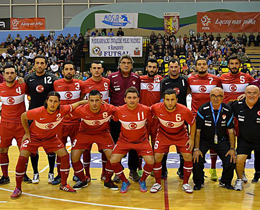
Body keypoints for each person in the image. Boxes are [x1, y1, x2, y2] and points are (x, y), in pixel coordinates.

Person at [10, 91, 88, 199]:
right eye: (50, 101)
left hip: (51, 138)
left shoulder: (63, 110)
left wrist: (91, 101)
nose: (52, 104)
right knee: (22, 156)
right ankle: (18, 188)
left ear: (59, 103)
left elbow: (78, 103)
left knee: (64, 156)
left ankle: (64, 184)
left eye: (55, 101)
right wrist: (27, 133)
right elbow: (23, 116)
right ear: (46, 101)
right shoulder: (38, 111)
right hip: (34, 138)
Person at [71, 90, 118, 190]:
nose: (94, 103)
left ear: (102, 100)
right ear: (88, 101)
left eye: (97, 100)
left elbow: (122, 112)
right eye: (92, 100)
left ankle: (108, 180)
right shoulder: (81, 110)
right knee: (74, 156)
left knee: (113, 158)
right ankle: (83, 180)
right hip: (84, 133)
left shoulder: (109, 108)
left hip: (103, 133)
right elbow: (65, 110)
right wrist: (79, 102)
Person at [150, 89, 195, 194]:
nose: (170, 103)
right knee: (157, 157)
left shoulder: (184, 110)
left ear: (177, 100)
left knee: (188, 156)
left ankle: (185, 183)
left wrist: (191, 138)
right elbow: (146, 111)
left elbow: (193, 123)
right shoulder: (156, 108)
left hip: (181, 135)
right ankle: (157, 183)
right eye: (167, 100)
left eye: (172, 100)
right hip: (163, 134)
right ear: (163, 100)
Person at [110, 87, 154, 193]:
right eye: (129, 98)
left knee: (151, 161)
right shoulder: (119, 110)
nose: (132, 100)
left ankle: (142, 180)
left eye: (134, 97)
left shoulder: (146, 110)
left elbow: (152, 122)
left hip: (142, 141)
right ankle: (125, 181)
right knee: (113, 160)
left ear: (138, 99)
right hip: (124, 141)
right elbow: (111, 117)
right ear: (125, 99)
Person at [220, 55, 255, 183]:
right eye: (231, 63)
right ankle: (226, 172)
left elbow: (256, 90)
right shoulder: (222, 78)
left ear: (240, 64)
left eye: (236, 63)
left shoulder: (247, 78)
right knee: (226, 145)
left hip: (242, 116)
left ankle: (242, 172)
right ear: (228, 65)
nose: (234, 66)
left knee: (241, 145)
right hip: (226, 115)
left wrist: (245, 95)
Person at [193, 87, 235, 190]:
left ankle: (225, 181)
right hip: (204, 140)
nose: (216, 99)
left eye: (219, 96)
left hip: (221, 140)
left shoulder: (227, 110)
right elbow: (197, 131)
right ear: (210, 97)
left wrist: (232, 149)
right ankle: (199, 182)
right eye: (213, 96)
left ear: (223, 97)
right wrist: (196, 149)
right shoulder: (203, 109)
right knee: (196, 158)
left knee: (231, 159)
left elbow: (231, 131)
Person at [24, 55, 58, 184]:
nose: (39, 65)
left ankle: (50, 172)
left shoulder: (52, 78)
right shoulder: (28, 78)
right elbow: (25, 92)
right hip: (33, 115)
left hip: (49, 116)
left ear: (46, 65)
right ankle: (35, 173)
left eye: (42, 63)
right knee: (33, 147)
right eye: (37, 63)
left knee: (50, 146)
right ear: (34, 65)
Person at [108, 55, 141, 182]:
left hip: (133, 117)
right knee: (117, 144)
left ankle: (133, 170)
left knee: (133, 144)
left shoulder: (137, 78)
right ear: (119, 65)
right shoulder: (111, 77)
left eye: (128, 63)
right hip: (117, 117)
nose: (126, 65)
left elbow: (140, 96)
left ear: (132, 65)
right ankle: (118, 171)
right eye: (123, 62)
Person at [188, 58, 221, 181]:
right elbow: (186, 93)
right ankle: (196, 171)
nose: (202, 66)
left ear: (207, 66)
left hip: (212, 115)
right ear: (195, 66)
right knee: (195, 143)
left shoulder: (215, 79)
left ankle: (213, 169)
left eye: (204, 64)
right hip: (196, 116)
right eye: (199, 64)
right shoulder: (190, 79)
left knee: (213, 142)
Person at [53, 61, 84, 185]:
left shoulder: (80, 84)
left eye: (71, 69)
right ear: (63, 71)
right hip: (60, 123)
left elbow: (82, 98)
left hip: (76, 122)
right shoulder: (56, 84)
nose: (69, 71)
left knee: (76, 151)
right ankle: (59, 175)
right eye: (67, 69)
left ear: (74, 71)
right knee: (60, 150)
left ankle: (77, 174)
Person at [0, 65, 30, 184]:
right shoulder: (0, 87)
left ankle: (23, 175)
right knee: (2, 149)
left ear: (16, 74)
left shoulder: (23, 85)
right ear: (3, 75)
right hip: (5, 124)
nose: (10, 75)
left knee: (23, 151)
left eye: (12, 73)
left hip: (20, 124)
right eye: (7, 73)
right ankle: (5, 176)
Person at [160, 59, 189, 180]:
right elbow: (161, 98)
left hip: (182, 116)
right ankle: (163, 169)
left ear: (179, 68)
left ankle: (182, 169)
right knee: (164, 145)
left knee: (183, 145)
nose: (173, 69)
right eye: (171, 66)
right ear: (168, 68)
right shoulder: (164, 81)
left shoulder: (184, 80)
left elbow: (189, 93)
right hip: (167, 116)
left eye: (176, 66)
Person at [82, 60, 110, 181]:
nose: (97, 70)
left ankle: (104, 172)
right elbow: (80, 102)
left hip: (104, 121)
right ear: (91, 70)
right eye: (94, 68)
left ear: (102, 70)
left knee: (104, 149)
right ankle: (87, 174)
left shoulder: (108, 82)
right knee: (86, 149)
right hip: (88, 122)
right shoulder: (85, 84)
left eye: (99, 68)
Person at [231, 85, 260, 191]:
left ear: (259, 94)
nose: (251, 95)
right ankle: (239, 179)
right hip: (244, 140)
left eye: (254, 93)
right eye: (249, 93)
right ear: (244, 93)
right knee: (239, 160)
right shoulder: (237, 105)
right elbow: (223, 109)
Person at [139, 58, 162, 175]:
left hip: (156, 118)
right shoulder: (140, 80)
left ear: (157, 69)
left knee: (155, 144)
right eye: (150, 67)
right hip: (142, 117)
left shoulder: (161, 80)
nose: (152, 69)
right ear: (146, 68)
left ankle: (154, 167)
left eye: (154, 67)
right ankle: (138, 168)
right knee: (140, 143)